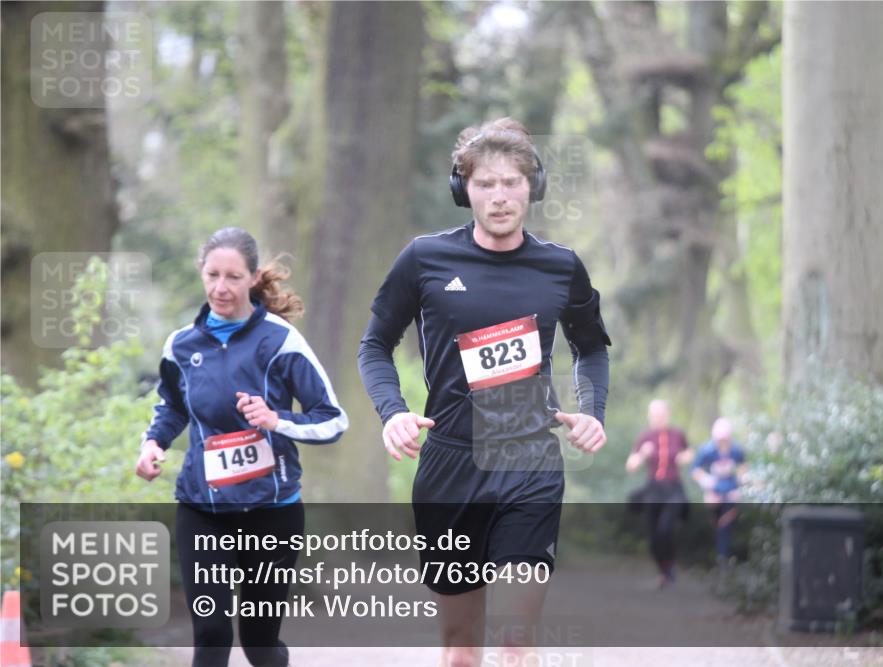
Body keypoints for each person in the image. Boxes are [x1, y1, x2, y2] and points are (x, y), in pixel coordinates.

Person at [358, 118, 610, 666]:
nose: (499, 197)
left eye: (512, 182)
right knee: (459, 651)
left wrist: (594, 411)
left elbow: (591, 349)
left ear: (532, 187)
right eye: (485, 184)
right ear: (462, 189)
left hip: (530, 458)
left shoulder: (561, 267)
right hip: (450, 463)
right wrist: (392, 413)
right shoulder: (424, 259)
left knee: (516, 642)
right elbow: (374, 344)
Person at [135, 227, 349, 667]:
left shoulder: (280, 340)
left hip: (271, 511)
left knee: (258, 644)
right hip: (202, 506)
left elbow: (333, 420)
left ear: (253, 278)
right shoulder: (181, 345)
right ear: (201, 273)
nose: (221, 287)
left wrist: (277, 419)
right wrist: (153, 443)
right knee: (212, 633)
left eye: (233, 277)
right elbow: (171, 407)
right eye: (212, 274)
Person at [625, 399, 690, 588]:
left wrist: (683, 457)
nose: (658, 419)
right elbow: (631, 466)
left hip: (673, 487)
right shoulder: (645, 437)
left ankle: (670, 567)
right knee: (653, 536)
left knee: (666, 529)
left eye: (661, 415)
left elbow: (689, 453)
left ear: (667, 415)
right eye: (654, 415)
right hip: (653, 488)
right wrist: (643, 454)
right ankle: (665, 571)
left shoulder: (678, 435)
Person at [691, 417, 747, 563]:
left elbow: (743, 468)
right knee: (714, 520)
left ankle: (724, 556)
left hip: (730, 491)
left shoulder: (736, 450)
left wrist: (741, 484)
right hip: (713, 492)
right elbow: (695, 470)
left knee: (726, 522)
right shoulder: (707, 450)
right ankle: (710, 553)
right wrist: (707, 482)